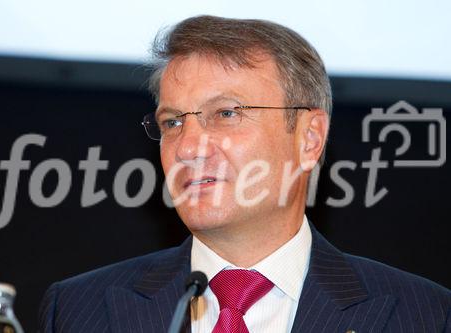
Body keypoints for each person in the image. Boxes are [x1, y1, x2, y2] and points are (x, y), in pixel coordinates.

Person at [38, 15, 450, 332]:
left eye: (227, 113)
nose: (189, 148)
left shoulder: (422, 315)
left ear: (309, 138)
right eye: (173, 122)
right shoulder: (79, 310)